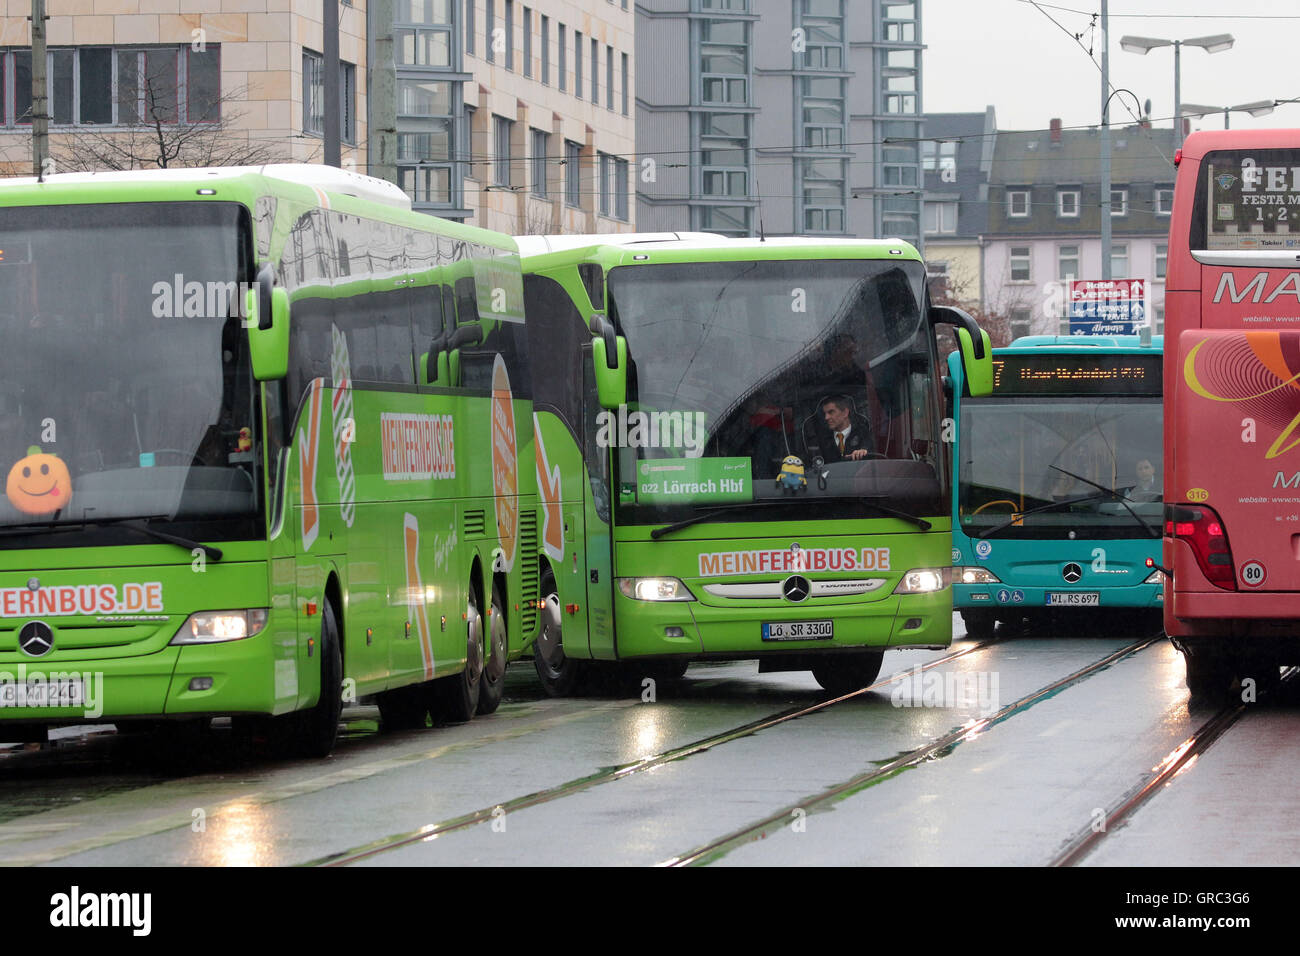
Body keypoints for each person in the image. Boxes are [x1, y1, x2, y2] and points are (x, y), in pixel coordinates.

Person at [819, 394, 874, 462]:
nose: (826, 417)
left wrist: (863, 451)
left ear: (845, 412)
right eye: (825, 413)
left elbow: (871, 452)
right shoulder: (821, 440)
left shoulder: (864, 433)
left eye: (831, 412)